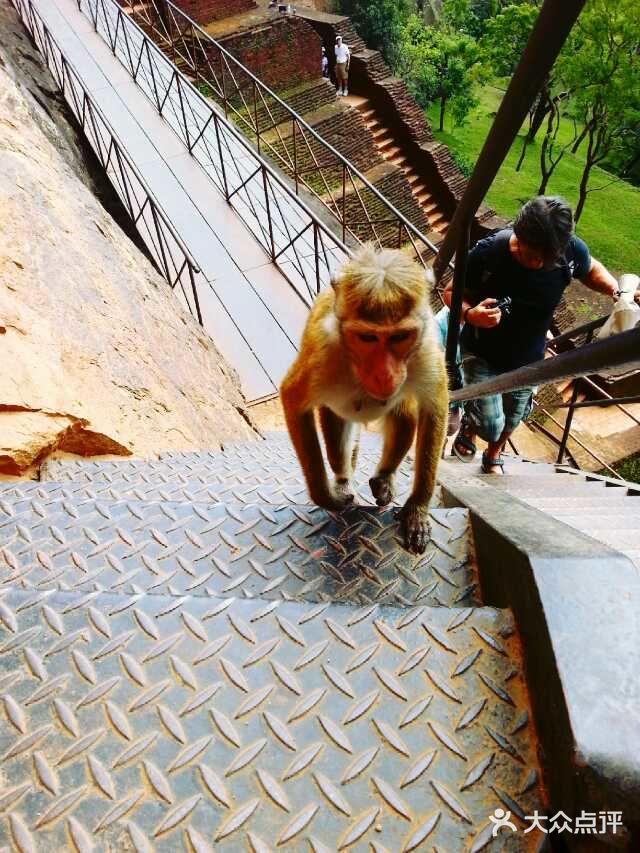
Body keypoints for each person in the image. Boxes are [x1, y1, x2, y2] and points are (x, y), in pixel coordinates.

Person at [445, 195, 625, 475]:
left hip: (529, 358)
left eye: (547, 258)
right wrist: (471, 315)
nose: (539, 263)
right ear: (518, 234)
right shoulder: (488, 253)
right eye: (531, 256)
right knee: (491, 424)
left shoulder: (568, 251)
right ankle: (472, 422)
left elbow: (590, 269)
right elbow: (449, 293)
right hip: (482, 351)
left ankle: (494, 454)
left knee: (514, 416)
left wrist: (617, 292)